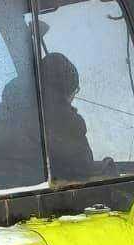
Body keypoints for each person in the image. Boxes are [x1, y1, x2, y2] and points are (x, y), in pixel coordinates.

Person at [38, 52, 95, 182]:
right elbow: (84, 171)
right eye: (75, 90)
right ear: (67, 91)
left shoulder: (1, 113)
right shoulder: (67, 124)